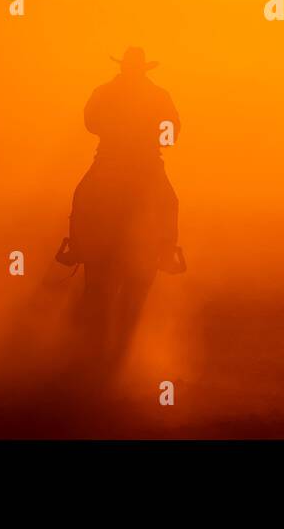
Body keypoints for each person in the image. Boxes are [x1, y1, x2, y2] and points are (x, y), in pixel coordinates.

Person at [67, 47, 183, 354]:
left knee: (82, 194)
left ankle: (76, 244)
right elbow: (173, 128)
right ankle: (168, 250)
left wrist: (115, 129)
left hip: (110, 159)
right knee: (169, 201)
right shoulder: (158, 94)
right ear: (143, 69)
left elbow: (90, 122)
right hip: (145, 162)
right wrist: (154, 135)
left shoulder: (105, 91)